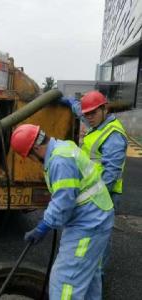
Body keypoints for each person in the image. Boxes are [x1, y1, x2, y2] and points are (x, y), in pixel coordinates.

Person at [10, 124, 114, 300]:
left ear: (35, 147)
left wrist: (43, 226)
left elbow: (63, 202)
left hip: (88, 224)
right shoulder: (63, 147)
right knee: (88, 275)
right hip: (95, 218)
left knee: (66, 279)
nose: (32, 160)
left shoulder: (59, 161)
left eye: (29, 156)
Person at [60, 91, 128, 275]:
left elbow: (111, 173)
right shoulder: (95, 121)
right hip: (93, 189)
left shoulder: (113, 135)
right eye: (86, 113)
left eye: (93, 113)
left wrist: (91, 199)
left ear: (105, 109)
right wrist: (67, 100)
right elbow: (79, 110)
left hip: (106, 193)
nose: (88, 117)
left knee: (100, 236)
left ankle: (98, 275)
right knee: (90, 233)